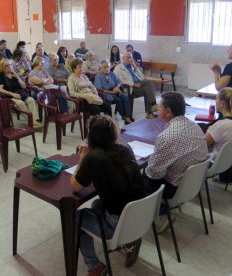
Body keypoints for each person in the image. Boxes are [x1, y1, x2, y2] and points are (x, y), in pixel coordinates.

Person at [71, 115, 146, 275]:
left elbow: (75, 186)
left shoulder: (93, 158)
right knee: (96, 205)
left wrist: (82, 158)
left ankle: (94, 266)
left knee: (76, 217)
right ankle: (129, 241)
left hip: (120, 221)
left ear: (91, 136)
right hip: (140, 214)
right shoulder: (125, 148)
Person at [144, 92, 208, 231]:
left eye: (159, 107)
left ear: (168, 111)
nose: (157, 109)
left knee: (139, 178)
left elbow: (154, 174)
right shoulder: (194, 126)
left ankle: (159, 215)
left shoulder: (168, 136)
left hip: (175, 188)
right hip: (193, 183)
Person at [0, 59, 40, 128]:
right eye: (7, 65)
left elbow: (24, 86)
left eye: (10, 65)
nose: (9, 66)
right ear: (2, 67)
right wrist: (12, 94)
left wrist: (17, 76)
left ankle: (34, 122)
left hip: (20, 94)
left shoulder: (13, 74)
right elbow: (0, 89)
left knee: (31, 100)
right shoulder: (1, 76)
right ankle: (31, 122)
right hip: (9, 96)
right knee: (20, 103)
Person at [114, 52, 157, 118]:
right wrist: (133, 84)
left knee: (149, 83)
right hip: (129, 88)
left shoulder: (132, 66)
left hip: (138, 84)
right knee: (148, 90)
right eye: (128, 57)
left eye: (131, 57)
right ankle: (151, 111)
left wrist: (135, 67)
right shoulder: (118, 68)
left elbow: (142, 78)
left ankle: (153, 106)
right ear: (123, 58)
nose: (130, 59)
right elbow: (120, 80)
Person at [206, 88, 232, 154]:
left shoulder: (223, 125)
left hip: (213, 161)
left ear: (221, 103)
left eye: (216, 99)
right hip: (227, 160)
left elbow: (202, 144)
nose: (215, 102)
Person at [95, 60, 133, 124]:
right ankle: (124, 117)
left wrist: (117, 87)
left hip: (115, 91)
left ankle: (128, 117)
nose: (107, 69)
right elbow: (99, 89)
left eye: (108, 67)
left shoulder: (111, 74)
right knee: (119, 100)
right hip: (105, 94)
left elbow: (119, 81)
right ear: (101, 68)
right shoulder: (98, 76)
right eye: (104, 67)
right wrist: (112, 92)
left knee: (125, 98)